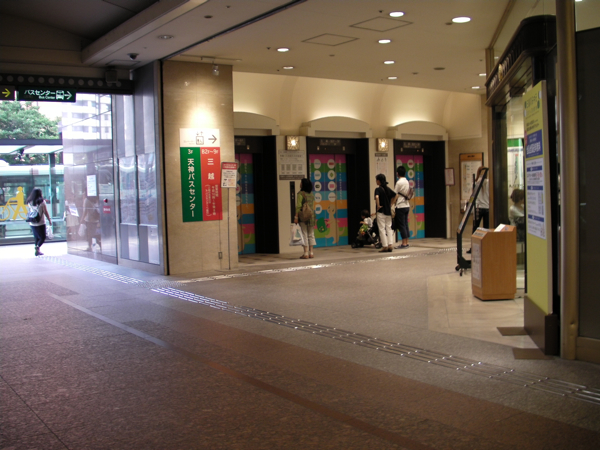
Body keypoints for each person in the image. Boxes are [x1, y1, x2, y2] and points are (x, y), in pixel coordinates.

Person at [294, 178, 316, 259]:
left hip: (303, 216)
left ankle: (306, 253)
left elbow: (298, 206)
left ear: (303, 184)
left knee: (304, 234)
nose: (300, 184)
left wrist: (296, 217)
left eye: (301, 182)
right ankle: (311, 253)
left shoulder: (300, 194)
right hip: (311, 216)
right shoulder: (311, 194)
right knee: (311, 234)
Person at [26, 188, 52, 256]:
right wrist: (49, 220)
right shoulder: (42, 202)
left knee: (36, 237)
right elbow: (45, 212)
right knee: (43, 237)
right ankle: (37, 247)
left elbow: (30, 211)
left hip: (32, 222)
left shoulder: (29, 202)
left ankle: (37, 250)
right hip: (40, 222)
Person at [374, 173, 395, 253]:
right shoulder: (388, 189)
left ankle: (385, 246)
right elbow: (395, 195)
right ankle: (390, 245)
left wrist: (378, 205)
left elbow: (377, 197)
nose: (376, 181)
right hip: (388, 211)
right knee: (389, 228)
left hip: (381, 212)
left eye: (376, 180)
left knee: (382, 229)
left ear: (379, 181)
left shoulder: (378, 189)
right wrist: (391, 204)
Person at [394, 166, 411, 249]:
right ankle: (406, 242)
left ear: (397, 173)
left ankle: (404, 243)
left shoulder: (399, 182)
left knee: (401, 225)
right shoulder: (407, 181)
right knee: (405, 224)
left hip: (400, 205)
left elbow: (395, 194)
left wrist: (392, 204)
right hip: (407, 205)